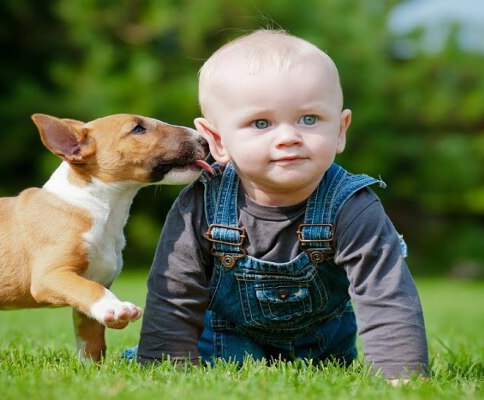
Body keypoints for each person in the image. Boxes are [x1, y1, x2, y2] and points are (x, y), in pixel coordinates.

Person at [127, 29, 429, 382]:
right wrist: (165, 367)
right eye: (261, 123)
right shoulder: (202, 203)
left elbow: (385, 294)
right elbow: (175, 293)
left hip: (321, 354)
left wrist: (401, 377)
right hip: (223, 346)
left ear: (341, 130)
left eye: (310, 119)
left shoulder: (352, 205)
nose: (288, 137)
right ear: (218, 141)